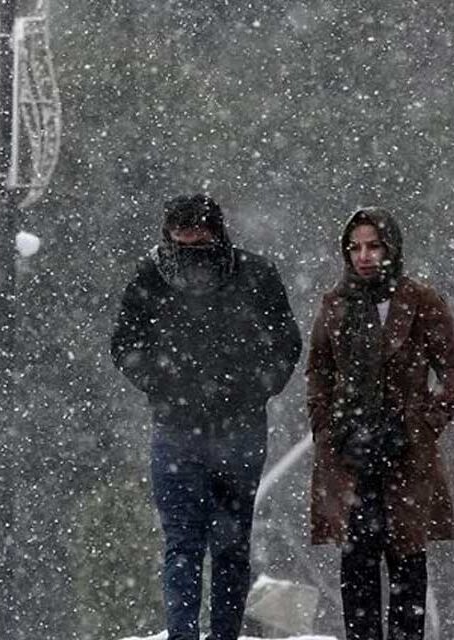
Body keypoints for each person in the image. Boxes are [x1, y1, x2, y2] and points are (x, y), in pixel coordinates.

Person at [110, 193, 301, 640]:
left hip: (232, 429)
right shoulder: (152, 276)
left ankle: (220, 634)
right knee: (189, 545)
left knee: (221, 547)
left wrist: (251, 388)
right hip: (181, 428)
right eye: (183, 239)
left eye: (199, 238)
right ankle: (186, 634)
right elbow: (125, 343)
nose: (191, 249)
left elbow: (284, 344)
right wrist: (166, 384)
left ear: (216, 232)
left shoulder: (254, 275)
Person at [307, 207, 454, 640]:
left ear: (391, 247)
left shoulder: (420, 301)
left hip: (405, 454)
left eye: (374, 246)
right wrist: (329, 429)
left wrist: (422, 423)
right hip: (350, 454)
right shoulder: (335, 303)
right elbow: (319, 373)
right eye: (355, 247)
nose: (364, 256)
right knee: (357, 566)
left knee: (407, 561)